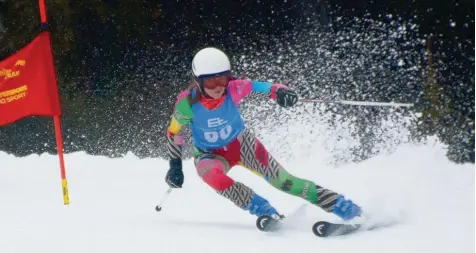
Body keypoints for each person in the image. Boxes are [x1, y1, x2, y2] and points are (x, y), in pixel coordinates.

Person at [164, 47, 362, 221]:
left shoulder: (234, 88)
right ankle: (264, 211)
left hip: (242, 145)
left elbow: (265, 87)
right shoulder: (187, 104)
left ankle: (343, 206)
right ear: (198, 81)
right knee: (212, 177)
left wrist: (281, 92)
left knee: (285, 182)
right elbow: (174, 132)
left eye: (222, 79)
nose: (217, 87)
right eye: (209, 82)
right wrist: (175, 165)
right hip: (208, 154)